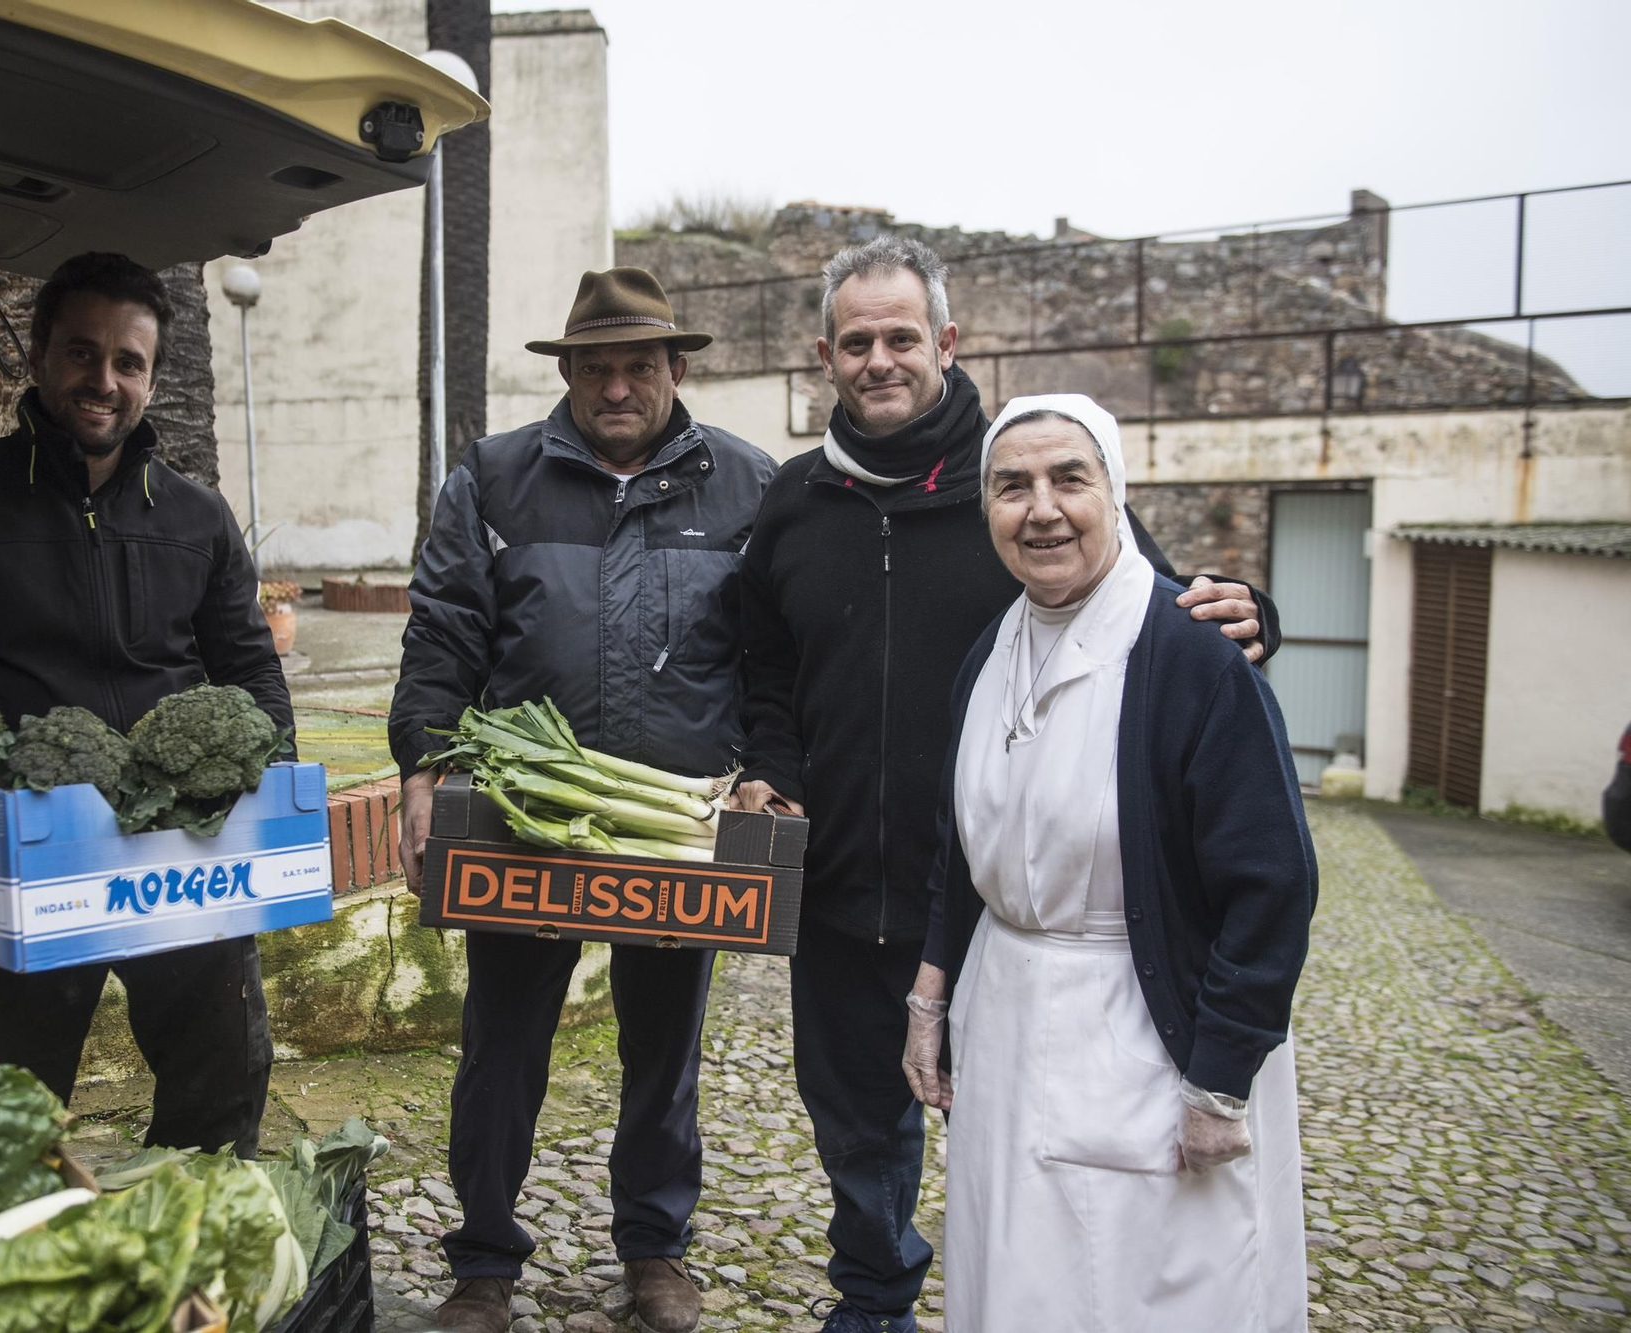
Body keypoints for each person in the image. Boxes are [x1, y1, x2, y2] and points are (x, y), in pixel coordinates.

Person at [732, 237, 1280, 1333]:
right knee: (854, 1121)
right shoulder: (792, 502)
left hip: (995, 899)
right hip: (841, 885)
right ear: (824, 358)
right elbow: (764, 667)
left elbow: (1155, 605)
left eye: (900, 337)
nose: (878, 359)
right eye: (855, 342)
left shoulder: (1023, 475)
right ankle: (876, 1297)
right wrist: (768, 770)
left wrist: (1253, 612)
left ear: (945, 340)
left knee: (1024, 1145)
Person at [0, 251, 291, 1158]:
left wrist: (255, 786)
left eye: (129, 362)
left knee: (219, 1105)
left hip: (181, 863)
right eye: (82, 353)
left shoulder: (197, 519)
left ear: (152, 375)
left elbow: (253, 675)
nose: (104, 382)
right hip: (19, 866)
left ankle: (191, 1284)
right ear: (39, 356)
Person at [389, 267, 777, 1333]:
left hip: (675, 835)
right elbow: (442, 632)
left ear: (674, 368)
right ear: (565, 373)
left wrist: (762, 770)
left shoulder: (747, 485)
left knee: (663, 1051)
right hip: (525, 820)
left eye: (636, 365)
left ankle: (654, 1248)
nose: (614, 386)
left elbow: (775, 659)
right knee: (501, 1044)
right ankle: (481, 1262)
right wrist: (422, 763)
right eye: (593, 367)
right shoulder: (495, 477)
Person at [901, 393, 1313, 1329]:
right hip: (1008, 1020)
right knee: (1018, 1279)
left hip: (1149, 1039)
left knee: (1149, 1289)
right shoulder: (992, 651)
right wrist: (930, 1001)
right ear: (987, 511)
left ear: (1115, 494)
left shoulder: (1191, 652)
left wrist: (1219, 1080)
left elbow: (1273, 883)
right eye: (1012, 486)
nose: (1040, 508)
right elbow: (961, 849)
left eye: (1068, 479)